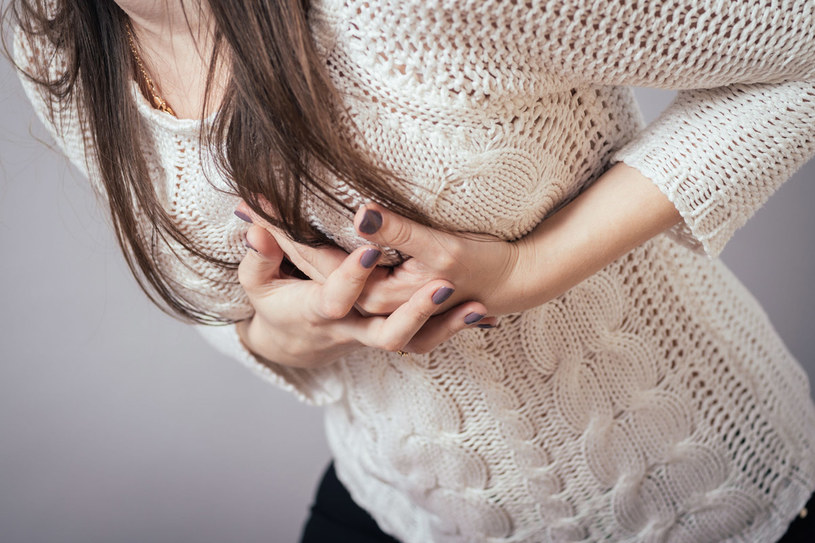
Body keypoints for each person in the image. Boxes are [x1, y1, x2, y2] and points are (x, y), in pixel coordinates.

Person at [8, 0, 815, 541]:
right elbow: (208, 297)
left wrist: (531, 268)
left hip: (709, 492)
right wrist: (284, 334)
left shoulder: (400, 13)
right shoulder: (48, 29)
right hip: (400, 509)